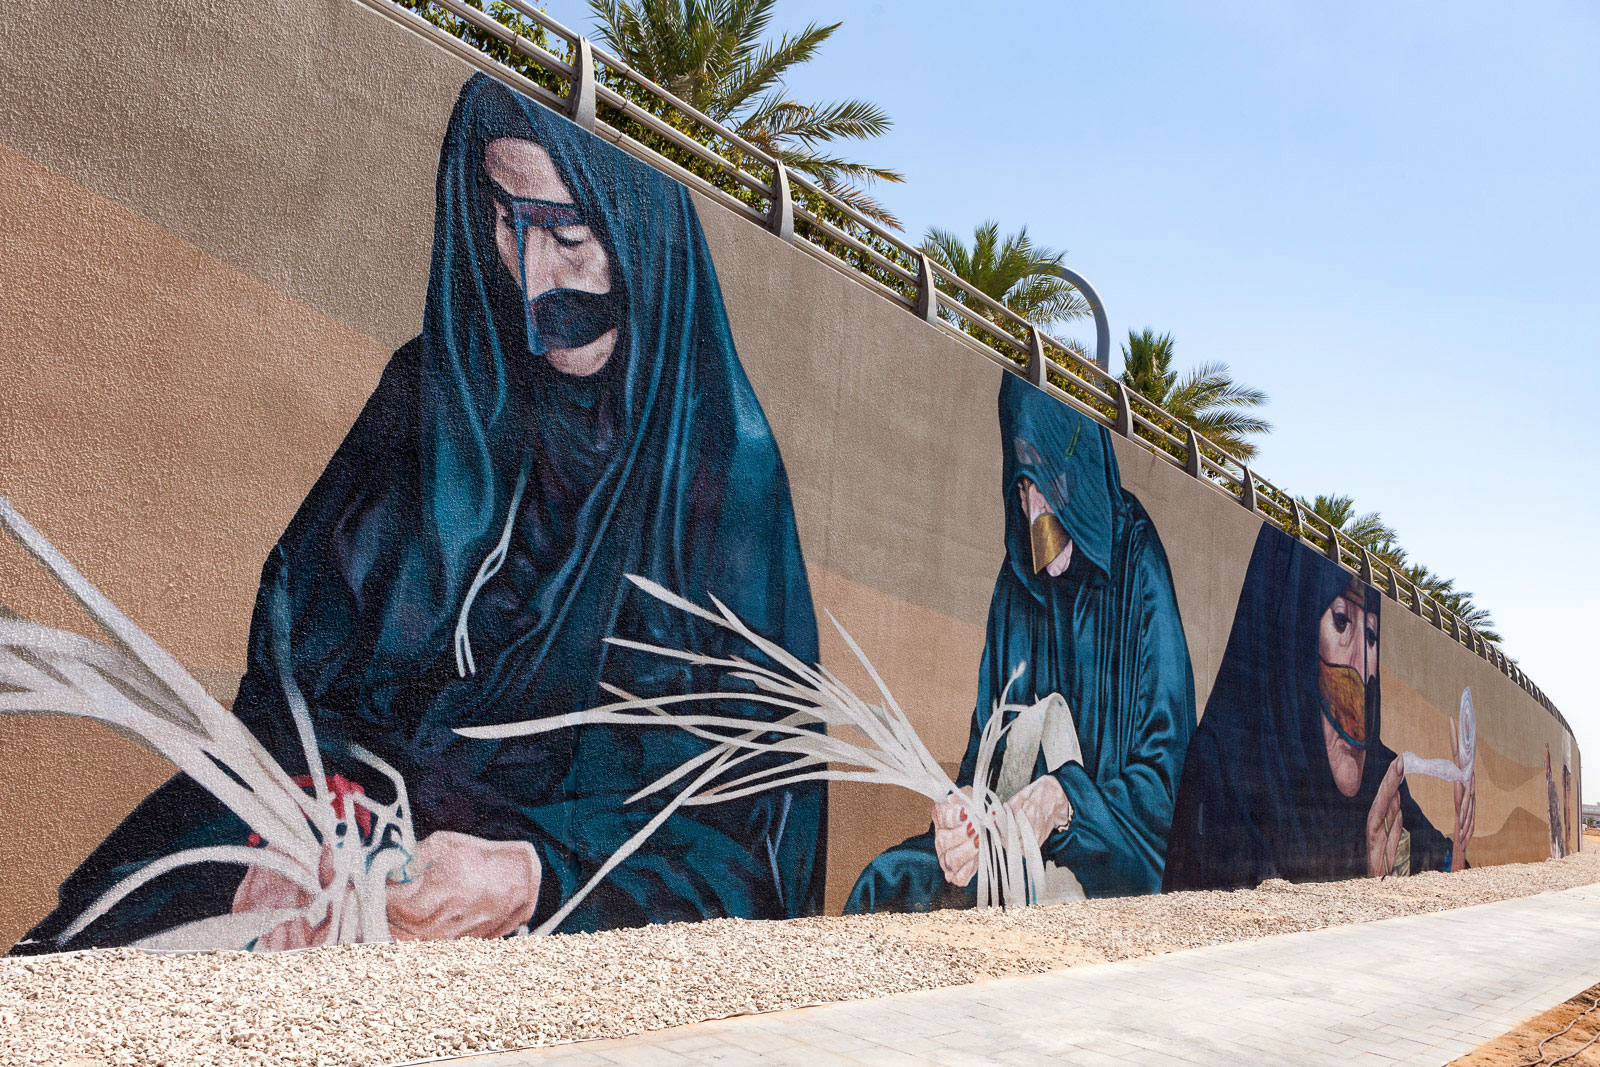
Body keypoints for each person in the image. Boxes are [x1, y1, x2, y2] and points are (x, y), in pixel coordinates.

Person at [15, 73, 823, 952]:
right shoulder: (436, 388)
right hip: (318, 832)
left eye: (572, 236)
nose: (535, 282)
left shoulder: (723, 475)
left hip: (553, 907)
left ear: (644, 241)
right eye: (507, 225)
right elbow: (296, 649)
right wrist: (284, 803)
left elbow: (752, 850)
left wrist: (531, 876)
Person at [845, 373, 1197, 912]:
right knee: (890, 882)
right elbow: (982, 758)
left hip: (1117, 863)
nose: (1035, 515)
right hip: (1010, 854)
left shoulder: (1137, 563)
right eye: (1022, 484)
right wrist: (961, 816)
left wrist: (1066, 804)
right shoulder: (1017, 581)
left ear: (1078, 467)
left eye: (1048, 477)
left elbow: (1165, 787)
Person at [1163, 527, 1474, 892]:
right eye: (1341, 622)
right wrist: (1368, 886)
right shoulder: (1222, 766)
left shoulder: (1380, 772)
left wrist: (1459, 842)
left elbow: (1442, 863)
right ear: (1293, 633)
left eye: (1371, 637)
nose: (1361, 668)